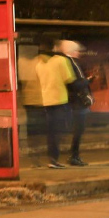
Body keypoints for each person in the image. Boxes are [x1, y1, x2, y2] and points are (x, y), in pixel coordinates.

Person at [34, 37, 74, 168]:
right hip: (60, 101)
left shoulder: (39, 64)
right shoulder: (60, 61)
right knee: (59, 131)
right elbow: (69, 79)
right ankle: (55, 160)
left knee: (51, 132)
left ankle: (52, 159)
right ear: (53, 48)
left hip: (47, 101)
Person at [61, 40, 93, 166]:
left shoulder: (71, 62)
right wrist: (88, 81)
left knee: (79, 130)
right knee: (78, 130)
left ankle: (75, 155)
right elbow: (75, 84)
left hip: (76, 102)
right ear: (71, 51)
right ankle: (74, 156)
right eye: (77, 50)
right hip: (77, 103)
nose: (79, 53)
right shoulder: (71, 63)